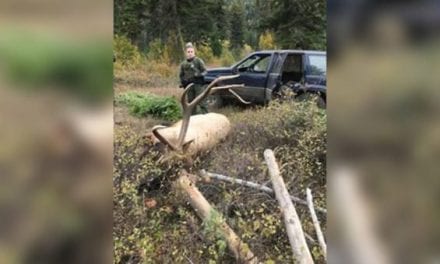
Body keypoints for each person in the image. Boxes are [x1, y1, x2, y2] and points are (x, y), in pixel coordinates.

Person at [179, 42, 208, 114]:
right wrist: (182, 82)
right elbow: (181, 75)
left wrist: (199, 75)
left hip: (198, 84)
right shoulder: (183, 64)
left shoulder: (198, 61)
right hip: (189, 85)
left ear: (194, 52)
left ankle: (206, 116)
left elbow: (205, 71)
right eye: (188, 52)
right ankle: (192, 118)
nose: (190, 53)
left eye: (191, 51)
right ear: (186, 53)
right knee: (191, 103)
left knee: (201, 101)